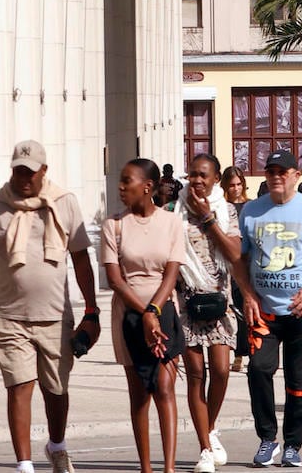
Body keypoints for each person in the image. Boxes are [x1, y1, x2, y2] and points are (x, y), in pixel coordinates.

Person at [0, 140, 100, 473]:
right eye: (18, 171)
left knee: (56, 389)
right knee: (20, 386)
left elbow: (80, 258)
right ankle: (24, 465)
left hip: (55, 315)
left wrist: (92, 311)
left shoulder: (64, 203)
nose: (24, 178)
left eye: (30, 172)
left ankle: (57, 445)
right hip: (10, 316)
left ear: (43, 171)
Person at [238, 149, 302, 468]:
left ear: (296, 176)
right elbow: (239, 260)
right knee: (258, 370)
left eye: (282, 172)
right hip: (264, 313)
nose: (276, 177)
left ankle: (293, 444)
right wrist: (247, 294)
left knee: (299, 382)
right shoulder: (251, 211)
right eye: (270, 172)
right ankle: (267, 439)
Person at [172, 153, 256, 473]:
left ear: (216, 179)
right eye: (192, 174)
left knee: (221, 369)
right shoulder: (175, 211)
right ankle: (205, 448)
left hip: (219, 301)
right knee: (196, 375)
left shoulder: (226, 210)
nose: (196, 180)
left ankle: (211, 425)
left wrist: (208, 218)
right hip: (186, 302)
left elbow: (235, 253)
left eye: (203, 175)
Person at [102, 159, 186, 473]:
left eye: (127, 181)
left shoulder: (171, 222)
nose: (121, 187)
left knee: (164, 386)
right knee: (139, 393)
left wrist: (154, 311)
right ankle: (146, 468)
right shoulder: (114, 225)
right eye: (120, 181)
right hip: (128, 315)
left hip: (163, 310)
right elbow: (115, 279)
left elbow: (171, 273)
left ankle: (169, 467)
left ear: (147, 187)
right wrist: (143, 313)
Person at [220, 166, 250, 373]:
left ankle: (242, 353)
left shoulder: (250, 207)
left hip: (245, 264)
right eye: (232, 185)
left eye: (239, 184)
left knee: (244, 309)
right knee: (226, 310)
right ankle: (229, 349)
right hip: (224, 265)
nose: (236, 189)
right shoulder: (220, 207)